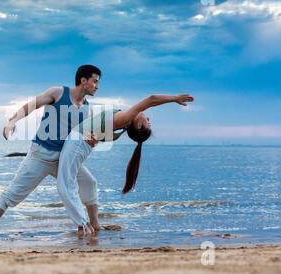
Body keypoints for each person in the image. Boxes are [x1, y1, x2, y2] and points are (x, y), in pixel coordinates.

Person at [0, 65, 102, 236]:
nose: (97, 86)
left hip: (64, 160)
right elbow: (32, 105)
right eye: (95, 81)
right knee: (14, 192)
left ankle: (94, 224)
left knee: (89, 183)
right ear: (84, 81)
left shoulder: (87, 109)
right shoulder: (58, 93)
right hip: (41, 155)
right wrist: (12, 122)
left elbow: (86, 137)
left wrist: (92, 141)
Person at [56, 94, 195, 233]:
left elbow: (151, 99)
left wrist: (175, 98)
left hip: (77, 144)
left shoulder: (126, 118)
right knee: (90, 183)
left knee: (66, 184)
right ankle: (95, 224)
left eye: (147, 122)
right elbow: (93, 127)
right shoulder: (122, 124)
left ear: (139, 125)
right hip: (78, 143)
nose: (148, 118)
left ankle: (83, 225)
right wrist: (89, 135)